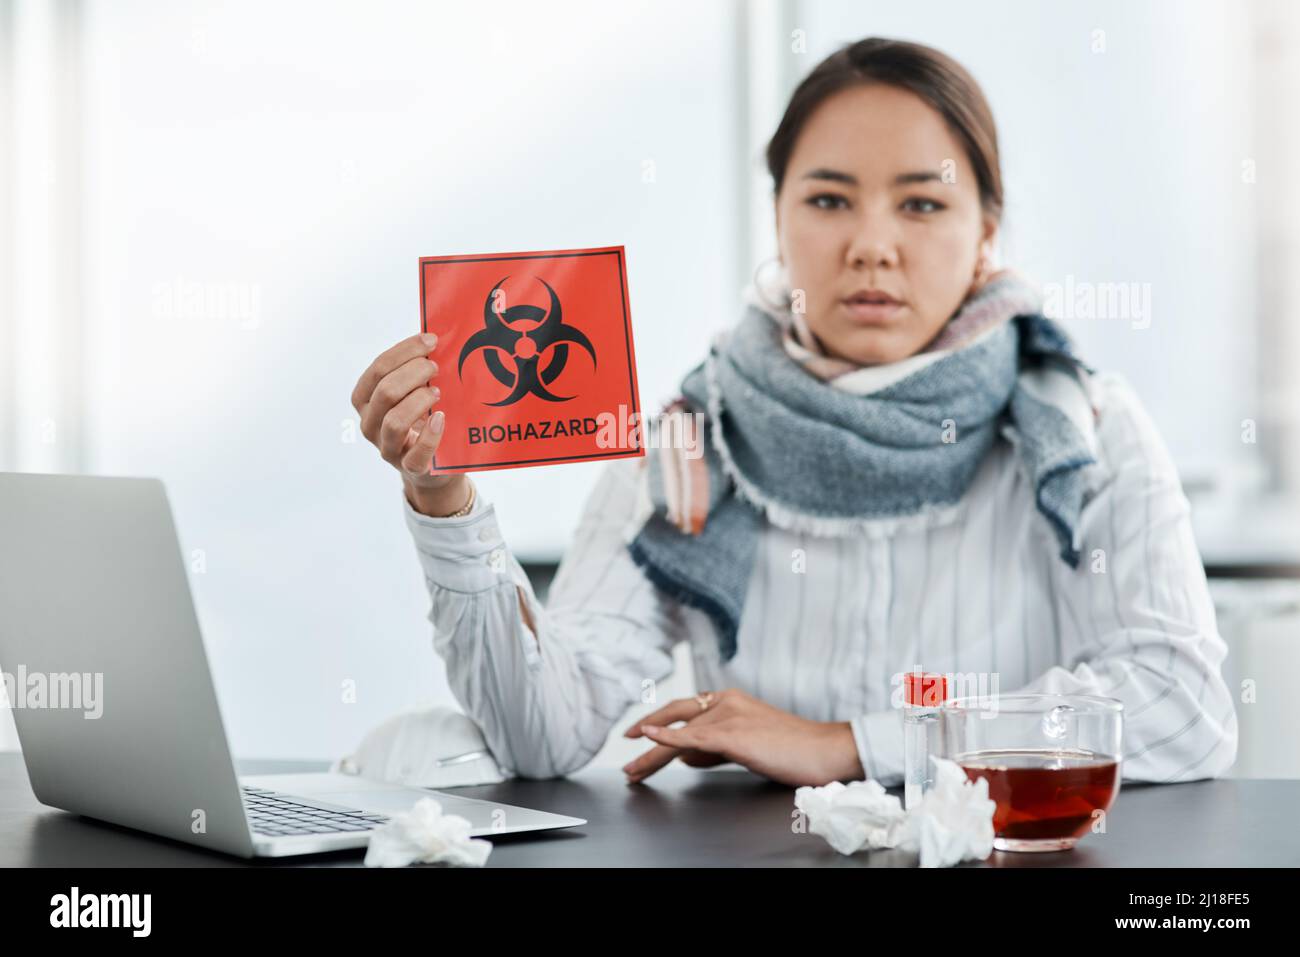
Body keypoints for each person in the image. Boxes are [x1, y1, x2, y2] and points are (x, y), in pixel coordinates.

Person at [350, 37, 1237, 789]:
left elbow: (1183, 707)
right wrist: (445, 503)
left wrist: (848, 746)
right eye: (827, 199)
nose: (871, 246)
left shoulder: (1085, 429)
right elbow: (543, 733)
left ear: (986, 237)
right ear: (777, 221)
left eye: (923, 203)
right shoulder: (693, 436)